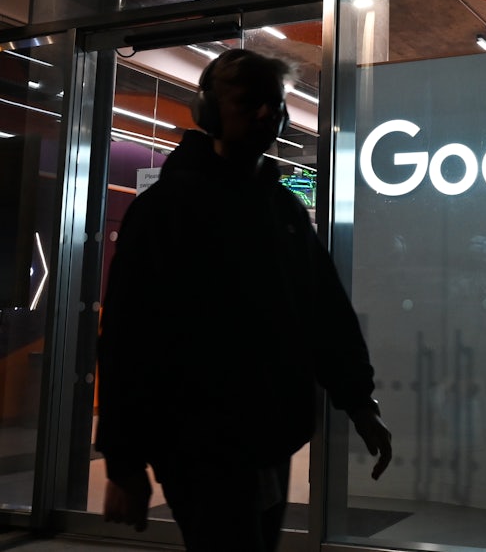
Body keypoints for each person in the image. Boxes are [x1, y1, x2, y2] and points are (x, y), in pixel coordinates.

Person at [96, 48, 392, 551]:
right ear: (209, 111)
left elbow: (323, 311)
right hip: (199, 445)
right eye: (249, 101)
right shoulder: (164, 210)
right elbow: (129, 337)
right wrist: (123, 463)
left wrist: (359, 400)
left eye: (274, 104)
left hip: (272, 437)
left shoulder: (283, 208)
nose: (266, 115)